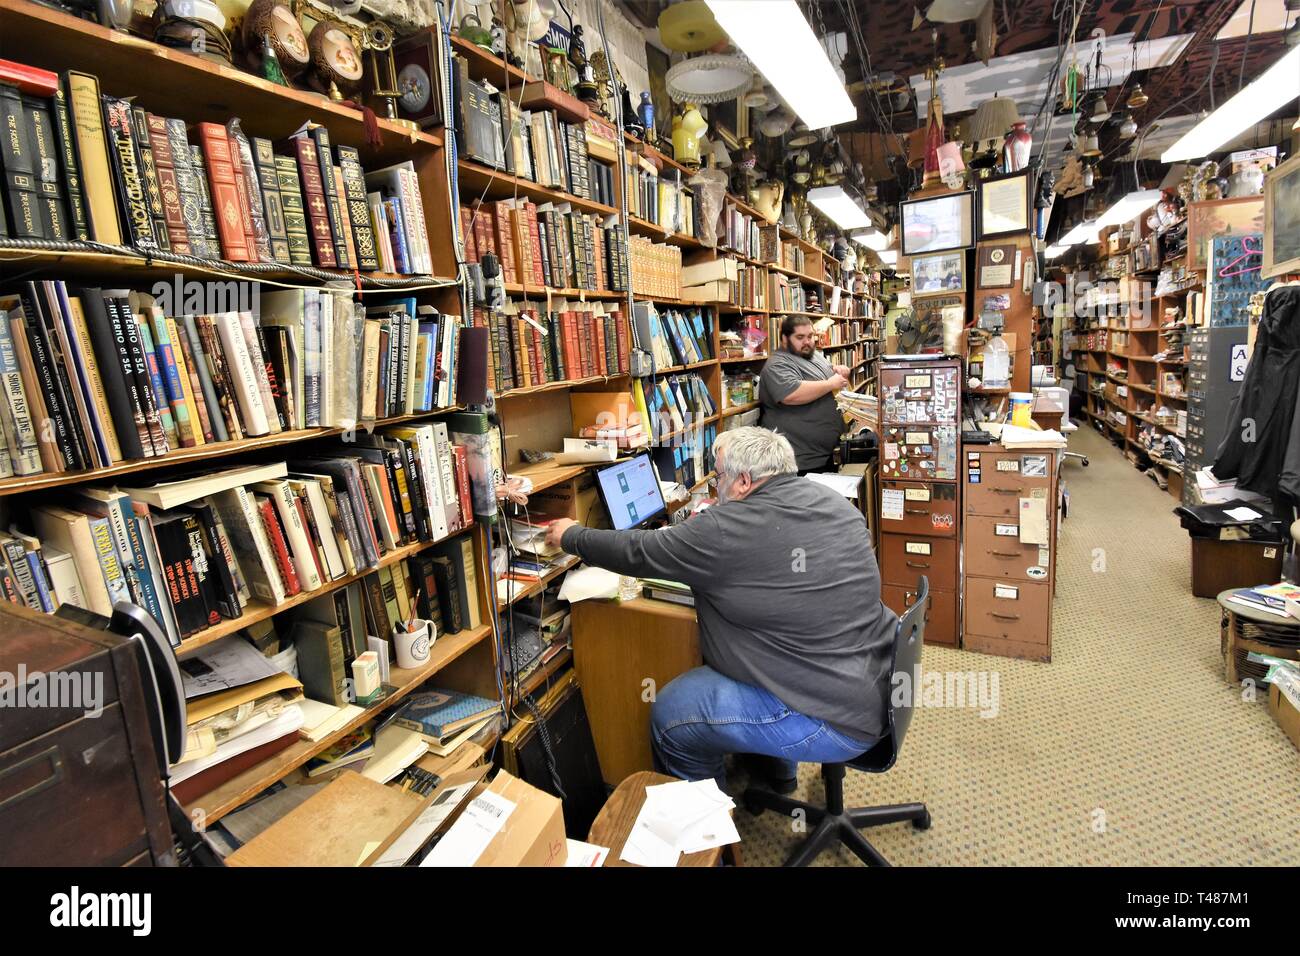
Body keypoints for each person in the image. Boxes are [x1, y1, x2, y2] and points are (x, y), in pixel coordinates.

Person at [543, 427, 898, 791]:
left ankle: (710, 839)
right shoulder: (833, 501)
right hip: (875, 682)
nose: (716, 486)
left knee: (670, 715)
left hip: (832, 717)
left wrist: (571, 535)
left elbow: (640, 552)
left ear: (744, 481)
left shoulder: (725, 529)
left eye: (720, 475)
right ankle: (780, 775)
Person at [758, 315, 849, 474]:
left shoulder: (811, 354)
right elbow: (791, 393)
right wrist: (831, 384)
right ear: (785, 339)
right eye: (800, 337)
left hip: (825, 455)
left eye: (810, 336)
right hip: (800, 461)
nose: (807, 341)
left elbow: (827, 371)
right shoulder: (777, 363)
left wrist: (838, 368)